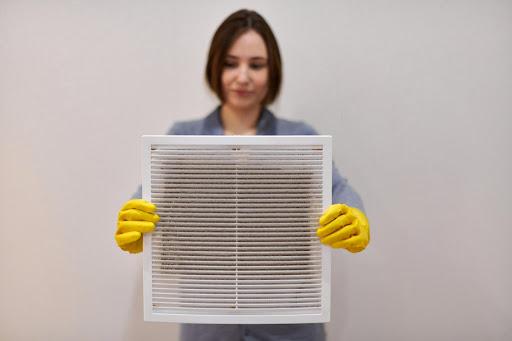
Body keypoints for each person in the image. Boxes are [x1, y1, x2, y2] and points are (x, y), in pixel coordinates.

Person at [115, 9, 370, 341]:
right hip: (207, 328)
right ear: (215, 68)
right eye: (230, 63)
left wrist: (354, 214)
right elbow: (149, 197)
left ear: (272, 70)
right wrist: (136, 220)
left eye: (256, 65)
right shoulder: (183, 139)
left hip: (290, 327)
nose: (243, 77)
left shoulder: (300, 139)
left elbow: (338, 189)